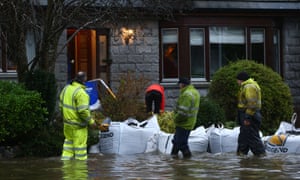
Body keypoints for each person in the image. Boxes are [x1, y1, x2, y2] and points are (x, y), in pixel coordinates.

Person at [59, 71, 98, 160]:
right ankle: (80, 171)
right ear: (84, 81)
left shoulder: (66, 89)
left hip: (67, 125)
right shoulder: (81, 93)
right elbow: (83, 111)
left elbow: (61, 106)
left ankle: (66, 169)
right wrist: (91, 122)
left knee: (68, 148)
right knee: (80, 150)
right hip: (78, 127)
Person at [236, 71, 266, 156]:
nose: (237, 82)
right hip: (247, 114)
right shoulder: (246, 86)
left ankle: (261, 155)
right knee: (244, 136)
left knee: (252, 136)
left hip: (250, 115)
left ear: (241, 80)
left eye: (237, 80)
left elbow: (252, 103)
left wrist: (247, 117)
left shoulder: (249, 87)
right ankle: (241, 155)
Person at [171, 77, 200, 158]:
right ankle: (173, 158)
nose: (179, 86)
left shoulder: (186, 95)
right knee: (176, 142)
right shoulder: (195, 92)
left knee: (181, 144)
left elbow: (183, 112)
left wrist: (175, 119)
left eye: (179, 84)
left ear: (182, 84)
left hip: (183, 123)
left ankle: (188, 161)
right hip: (190, 122)